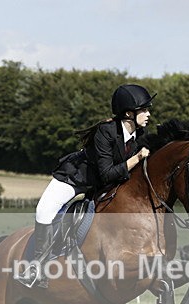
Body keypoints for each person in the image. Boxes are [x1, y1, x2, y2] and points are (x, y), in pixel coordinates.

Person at [16, 84, 155, 288]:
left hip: (101, 185)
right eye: (144, 110)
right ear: (128, 113)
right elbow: (107, 173)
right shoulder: (106, 132)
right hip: (76, 178)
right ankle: (37, 268)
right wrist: (137, 158)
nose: (148, 114)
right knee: (44, 210)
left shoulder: (140, 134)